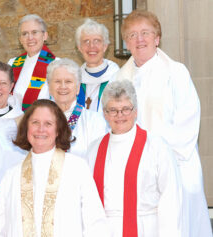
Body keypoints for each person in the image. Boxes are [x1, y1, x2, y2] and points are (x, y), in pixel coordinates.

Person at [116, 10, 212, 236]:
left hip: (175, 164)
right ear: (126, 43)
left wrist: (156, 155)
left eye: (145, 33)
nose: (139, 39)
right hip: (134, 168)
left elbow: (187, 121)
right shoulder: (119, 79)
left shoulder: (176, 72)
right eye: (132, 35)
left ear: (157, 38)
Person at [0, 99, 109, 237]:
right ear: (26, 128)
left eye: (48, 123)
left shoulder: (77, 168)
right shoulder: (12, 175)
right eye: (35, 122)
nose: (41, 129)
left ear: (58, 130)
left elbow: (95, 223)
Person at [87, 80, 182, 236]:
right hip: (104, 229)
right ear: (105, 114)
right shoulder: (94, 150)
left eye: (125, 109)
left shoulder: (157, 146)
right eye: (113, 110)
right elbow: (88, 200)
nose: (120, 116)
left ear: (135, 111)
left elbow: (170, 198)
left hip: (147, 228)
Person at [46, 58, 109, 158]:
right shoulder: (41, 120)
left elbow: (99, 158)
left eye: (68, 81)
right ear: (49, 87)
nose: (63, 86)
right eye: (57, 81)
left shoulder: (94, 120)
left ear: (78, 87)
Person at [8, 14, 56, 111]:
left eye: (34, 32)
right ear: (20, 39)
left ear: (45, 36)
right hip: (13, 121)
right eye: (25, 34)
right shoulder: (12, 63)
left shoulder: (57, 65)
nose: (30, 38)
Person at [76, 18, 119, 112]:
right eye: (86, 41)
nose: (92, 46)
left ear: (105, 46)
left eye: (97, 41)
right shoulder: (74, 81)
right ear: (79, 48)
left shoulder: (118, 77)